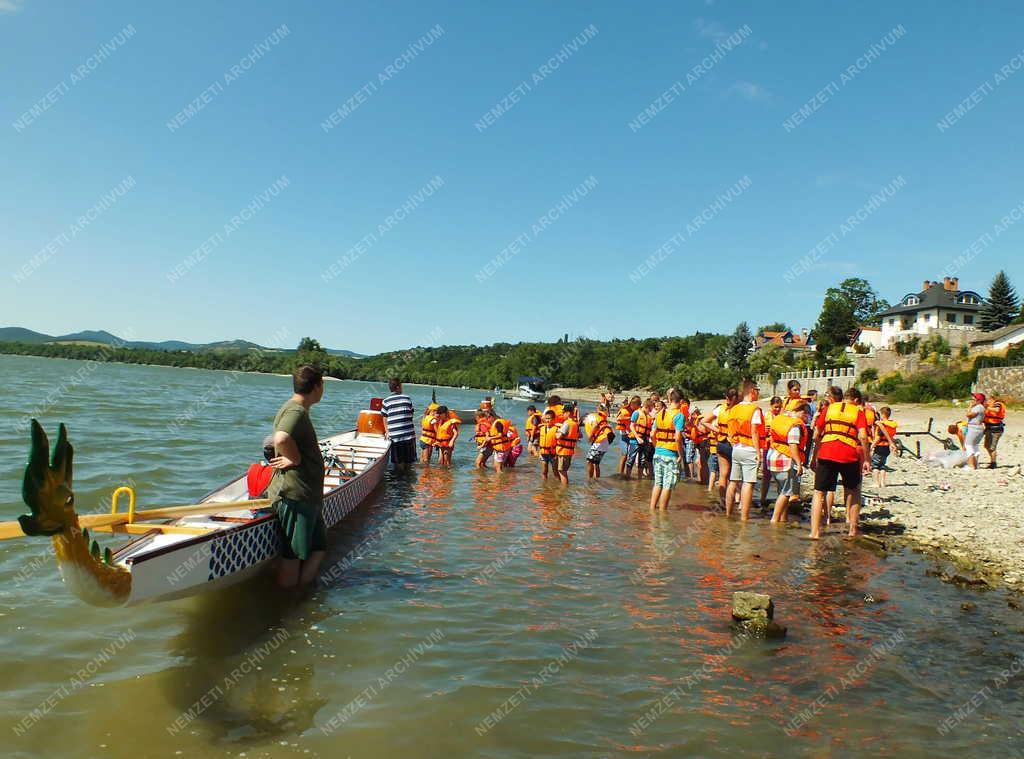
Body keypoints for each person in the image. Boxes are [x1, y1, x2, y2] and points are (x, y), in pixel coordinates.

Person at [268, 365, 327, 588]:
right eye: (323, 385)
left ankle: (301, 596)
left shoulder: (295, 409)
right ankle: (288, 607)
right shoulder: (296, 411)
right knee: (293, 555)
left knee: (319, 547)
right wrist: (294, 459)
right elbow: (281, 438)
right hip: (296, 495)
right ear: (317, 386)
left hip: (307, 496)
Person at [809, 386, 871, 540]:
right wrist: (867, 458)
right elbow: (863, 436)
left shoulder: (829, 408)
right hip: (848, 454)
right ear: (856, 400)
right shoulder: (858, 412)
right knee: (853, 490)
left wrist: (815, 455)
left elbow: (816, 434)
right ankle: (852, 530)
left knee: (819, 493)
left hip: (827, 451)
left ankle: (815, 532)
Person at [725, 380, 765, 521]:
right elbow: (754, 431)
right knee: (748, 483)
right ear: (752, 391)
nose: (758, 393)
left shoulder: (734, 409)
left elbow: (730, 430)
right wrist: (759, 453)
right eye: (758, 390)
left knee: (733, 481)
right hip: (749, 449)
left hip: (736, 448)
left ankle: (728, 514)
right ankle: (744, 518)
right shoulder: (754, 409)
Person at [768, 403, 807, 524]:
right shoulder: (794, 425)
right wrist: (799, 463)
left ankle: (783, 520)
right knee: (786, 492)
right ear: (800, 412)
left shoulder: (779, 419)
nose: (806, 417)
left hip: (773, 458)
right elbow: (793, 444)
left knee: (782, 491)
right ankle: (774, 521)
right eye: (806, 414)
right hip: (785, 460)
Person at [649, 390, 686, 511]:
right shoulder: (679, 415)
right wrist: (681, 455)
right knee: (667, 485)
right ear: (680, 401)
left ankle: (652, 509)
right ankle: (662, 512)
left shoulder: (659, 414)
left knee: (658, 483)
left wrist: (656, 447)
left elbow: (652, 435)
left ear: (670, 400)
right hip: (671, 454)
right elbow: (677, 438)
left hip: (658, 452)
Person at [713, 388, 740, 512]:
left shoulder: (720, 409)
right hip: (734, 445)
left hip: (721, 443)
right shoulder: (739, 410)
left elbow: (703, 421)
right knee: (736, 477)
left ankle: (723, 501)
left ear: (726, 397)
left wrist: (716, 430)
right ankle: (737, 501)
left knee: (723, 475)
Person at [381, 378, 416, 473]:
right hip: (408, 435)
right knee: (409, 462)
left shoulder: (385, 401)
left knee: (398, 463)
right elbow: (411, 414)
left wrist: (387, 432)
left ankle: (399, 482)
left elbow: (384, 417)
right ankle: (407, 480)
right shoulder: (407, 398)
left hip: (395, 437)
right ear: (398, 387)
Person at [759, 396, 783, 509]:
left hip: (779, 447)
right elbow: (759, 431)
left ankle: (780, 497)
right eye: (776, 407)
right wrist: (765, 430)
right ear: (771, 406)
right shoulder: (766, 416)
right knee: (766, 474)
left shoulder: (782, 417)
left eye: (779, 407)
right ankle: (762, 498)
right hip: (767, 446)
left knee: (780, 474)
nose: (777, 409)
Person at [871, 406, 899, 490]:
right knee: (882, 465)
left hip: (880, 446)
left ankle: (876, 483)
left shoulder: (881, 424)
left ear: (882, 414)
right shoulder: (891, 424)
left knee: (875, 465)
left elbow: (878, 437)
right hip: (887, 447)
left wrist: (872, 446)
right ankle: (883, 483)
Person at [554, 403, 581, 484]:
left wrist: (556, 431)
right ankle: (563, 488)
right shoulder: (575, 423)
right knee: (563, 470)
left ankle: (564, 490)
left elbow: (559, 436)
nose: (563, 414)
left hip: (563, 451)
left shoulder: (567, 423)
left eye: (564, 412)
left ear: (568, 413)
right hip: (569, 451)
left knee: (562, 471)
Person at [585, 405, 615, 478]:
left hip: (600, 441)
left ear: (598, 409)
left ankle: (590, 480)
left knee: (589, 461)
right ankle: (596, 480)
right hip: (605, 442)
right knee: (596, 463)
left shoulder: (597, 417)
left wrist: (590, 437)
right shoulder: (603, 419)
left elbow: (595, 426)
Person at [625, 396, 650, 480]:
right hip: (635, 440)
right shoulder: (636, 413)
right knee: (631, 459)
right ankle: (627, 478)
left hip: (644, 440)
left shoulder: (648, 416)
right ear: (646, 407)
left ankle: (639, 479)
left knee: (642, 460)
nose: (650, 411)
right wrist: (637, 437)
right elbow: (632, 426)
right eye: (649, 409)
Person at [964, 392, 987, 470]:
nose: (972, 400)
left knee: (968, 445)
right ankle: (976, 464)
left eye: (973, 399)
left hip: (974, 428)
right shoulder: (981, 407)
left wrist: (970, 407)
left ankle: (971, 465)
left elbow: (968, 414)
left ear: (979, 400)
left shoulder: (978, 407)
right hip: (978, 428)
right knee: (975, 446)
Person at [984, 394, 1007, 469]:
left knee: (992, 447)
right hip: (989, 428)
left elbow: (996, 410)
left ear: (992, 399)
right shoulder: (991, 405)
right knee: (986, 445)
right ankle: (992, 460)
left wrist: (986, 406)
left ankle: (993, 463)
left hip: (996, 429)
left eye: (987, 399)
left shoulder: (998, 404)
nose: (986, 401)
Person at [538, 409, 559, 479]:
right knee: (544, 471)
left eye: (549, 418)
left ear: (553, 419)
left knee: (555, 471)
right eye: (546, 418)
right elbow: (539, 440)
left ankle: (558, 487)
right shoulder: (542, 428)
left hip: (553, 454)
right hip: (543, 452)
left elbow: (559, 443)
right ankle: (544, 488)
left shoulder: (556, 429)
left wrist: (557, 454)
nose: (547, 420)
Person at [615, 400, 634, 475]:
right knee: (624, 455)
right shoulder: (623, 410)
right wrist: (629, 418)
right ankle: (621, 473)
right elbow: (618, 419)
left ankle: (628, 474)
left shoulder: (637, 410)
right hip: (624, 434)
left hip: (632, 434)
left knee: (631, 455)